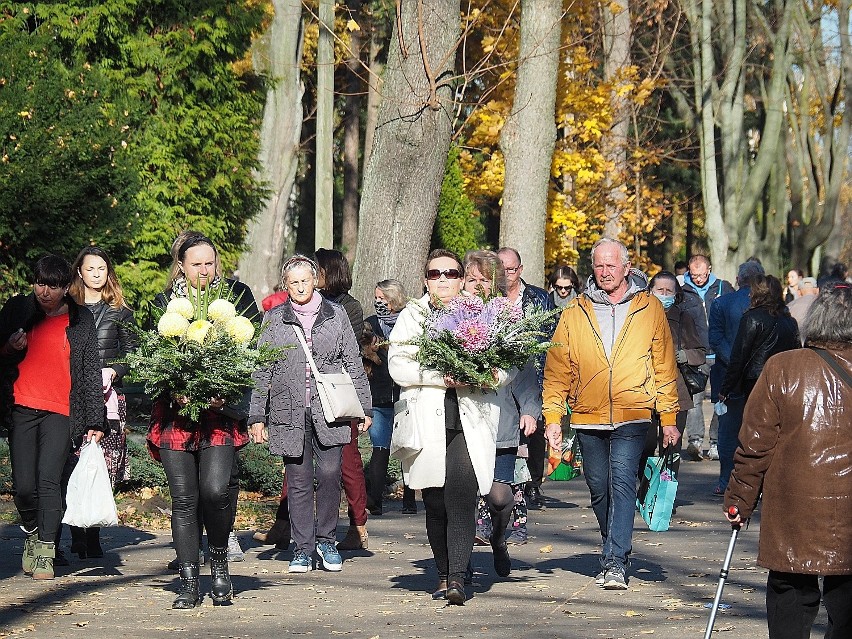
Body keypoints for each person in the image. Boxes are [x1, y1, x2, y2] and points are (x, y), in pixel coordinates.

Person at [542, 238, 679, 590]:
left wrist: (668, 419)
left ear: (626, 268)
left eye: (611, 265)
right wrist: (553, 418)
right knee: (599, 488)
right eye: (599, 266)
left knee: (621, 484)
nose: (604, 272)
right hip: (588, 413)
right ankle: (611, 544)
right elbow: (556, 369)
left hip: (633, 413)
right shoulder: (575, 311)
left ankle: (615, 560)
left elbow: (664, 367)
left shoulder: (650, 309)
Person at [723, 282, 852, 639]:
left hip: (796, 505)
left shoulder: (782, 368)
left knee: (791, 594)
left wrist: (739, 500)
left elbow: (755, 444)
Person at [388, 249, 511, 605]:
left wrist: (492, 375)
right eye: (435, 273)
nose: (443, 280)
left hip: (470, 421)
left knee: (461, 494)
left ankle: (457, 577)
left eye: (451, 273)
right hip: (426, 421)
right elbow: (398, 365)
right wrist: (441, 377)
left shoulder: (481, 313)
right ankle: (443, 572)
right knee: (436, 500)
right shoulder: (414, 315)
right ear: (425, 279)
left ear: (462, 278)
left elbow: (509, 362)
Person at [147, 232, 259, 608]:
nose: (204, 270)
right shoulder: (163, 304)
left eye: (209, 263)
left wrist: (227, 391)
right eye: (196, 264)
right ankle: (189, 583)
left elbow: (254, 354)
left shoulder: (238, 298)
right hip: (176, 417)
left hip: (220, 417)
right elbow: (149, 360)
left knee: (215, 492)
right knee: (184, 499)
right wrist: (172, 387)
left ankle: (221, 564)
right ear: (180, 265)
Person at [249, 255, 372, 574]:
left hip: (331, 410)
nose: (301, 287)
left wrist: (364, 406)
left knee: (331, 474)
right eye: (294, 282)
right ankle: (303, 549)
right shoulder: (275, 318)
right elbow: (263, 368)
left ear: (316, 280)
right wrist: (256, 415)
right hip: (288, 411)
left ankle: (327, 541)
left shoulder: (337, 314)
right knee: (299, 480)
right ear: (286, 285)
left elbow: (353, 361)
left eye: (306, 280)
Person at [0, 255, 105, 580]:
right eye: (40, 283)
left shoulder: (80, 319)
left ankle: (45, 548)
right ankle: (32, 530)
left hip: (62, 410)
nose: (45, 291)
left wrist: (94, 420)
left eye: (53, 285)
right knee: (25, 488)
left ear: (65, 287)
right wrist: (8, 348)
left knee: (49, 481)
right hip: (21, 407)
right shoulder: (18, 310)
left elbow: (89, 370)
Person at [463, 249, 539, 579]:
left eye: (484, 279)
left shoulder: (508, 318)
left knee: (498, 496)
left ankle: (498, 537)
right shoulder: (449, 316)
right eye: (471, 278)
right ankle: (459, 564)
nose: (477, 285)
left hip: (501, 421)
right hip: (462, 420)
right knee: (461, 495)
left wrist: (531, 411)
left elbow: (524, 372)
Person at [66, 246, 136, 560]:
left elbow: (134, 352)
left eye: (102, 269)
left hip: (109, 398)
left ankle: (93, 534)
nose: (96, 274)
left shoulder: (120, 310)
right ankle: (76, 534)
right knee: (72, 463)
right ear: (79, 272)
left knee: (101, 466)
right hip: (73, 397)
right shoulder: (67, 308)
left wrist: (115, 369)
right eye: (90, 269)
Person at [716, 274, 800, 493]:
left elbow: (739, 356)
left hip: (756, 383)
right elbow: (796, 353)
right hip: (784, 384)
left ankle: (750, 483)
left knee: (753, 435)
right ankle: (773, 482)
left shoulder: (752, 318)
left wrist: (726, 389)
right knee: (776, 435)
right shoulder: (789, 322)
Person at [496, 247, 555, 510]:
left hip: (535, 374)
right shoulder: (487, 298)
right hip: (501, 376)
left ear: (520, 270)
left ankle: (533, 484)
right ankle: (505, 484)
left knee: (533, 433)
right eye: (501, 268)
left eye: (511, 269)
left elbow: (552, 336)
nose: (506, 274)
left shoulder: (539, 298)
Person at [706, 259, 765, 492]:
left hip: (728, 377)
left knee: (728, 431)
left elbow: (716, 339)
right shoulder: (768, 307)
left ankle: (726, 480)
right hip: (758, 376)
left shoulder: (721, 304)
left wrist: (734, 363)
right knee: (759, 429)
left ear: (738, 280)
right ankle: (755, 482)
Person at [641, 271, 706, 479]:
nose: (664, 294)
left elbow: (700, 353)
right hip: (645, 391)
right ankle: (644, 489)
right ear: (650, 291)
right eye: (660, 290)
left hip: (677, 392)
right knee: (646, 445)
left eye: (669, 290)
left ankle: (665, 495)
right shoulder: (641, 315)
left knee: (671, 447)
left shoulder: (684, 318)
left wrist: (685, 355)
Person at [363, 279, 410, 516]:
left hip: (405, 394)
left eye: (383, 298)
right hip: (379, 394)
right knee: (380, 447)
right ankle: (375, 499)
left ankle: (410, 499)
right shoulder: (370, 325)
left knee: (408, 447)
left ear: (394, 299)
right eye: (376, 298)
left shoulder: (409, 321)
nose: (379, 303)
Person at [681, 254, 734, 461]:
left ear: (709, 270)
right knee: (694, 399)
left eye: (701, 275)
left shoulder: (723, 288)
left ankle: (716, 442)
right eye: (694, 275)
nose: (698, 279)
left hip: (720, 353)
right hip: (696, 353)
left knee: (720, 400)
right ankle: (694, 440)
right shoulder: (682, 291)